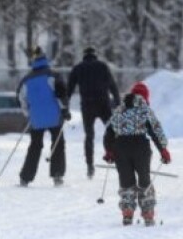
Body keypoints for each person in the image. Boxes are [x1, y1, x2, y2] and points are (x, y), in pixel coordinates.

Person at [102, 82, 170, 226]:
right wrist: (163, 149)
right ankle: (148, 213)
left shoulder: (119, 110)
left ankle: (127, 212)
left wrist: (109, 150)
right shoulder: (145, 109)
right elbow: (155, 130)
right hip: (140, 147)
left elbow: (109, 132)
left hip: (121, 147)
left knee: (126, 181)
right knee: (144, 180)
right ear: (145, 96)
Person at [17, 47, 70, 187]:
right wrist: (65, 110)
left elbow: (21, 99)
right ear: (45, 59)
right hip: (55, 117)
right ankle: (57, 175)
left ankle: (25, 177)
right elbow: (61, 94)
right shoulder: (53, 75)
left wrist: (28, 114)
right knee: (57, 144)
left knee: (35, 146)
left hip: (36, 119)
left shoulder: (26, 79)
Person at [67, 46, 120, 178]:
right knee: (112, 130)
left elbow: (69, 88)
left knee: (89, 135)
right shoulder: (103, 66)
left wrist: (64, 105)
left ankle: (90, 165)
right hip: (104, 104)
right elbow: (112, 85)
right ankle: (114, 156)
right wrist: (117, 101)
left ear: (84, 56)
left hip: (87, 105)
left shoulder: (78, 68)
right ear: (95, 55)